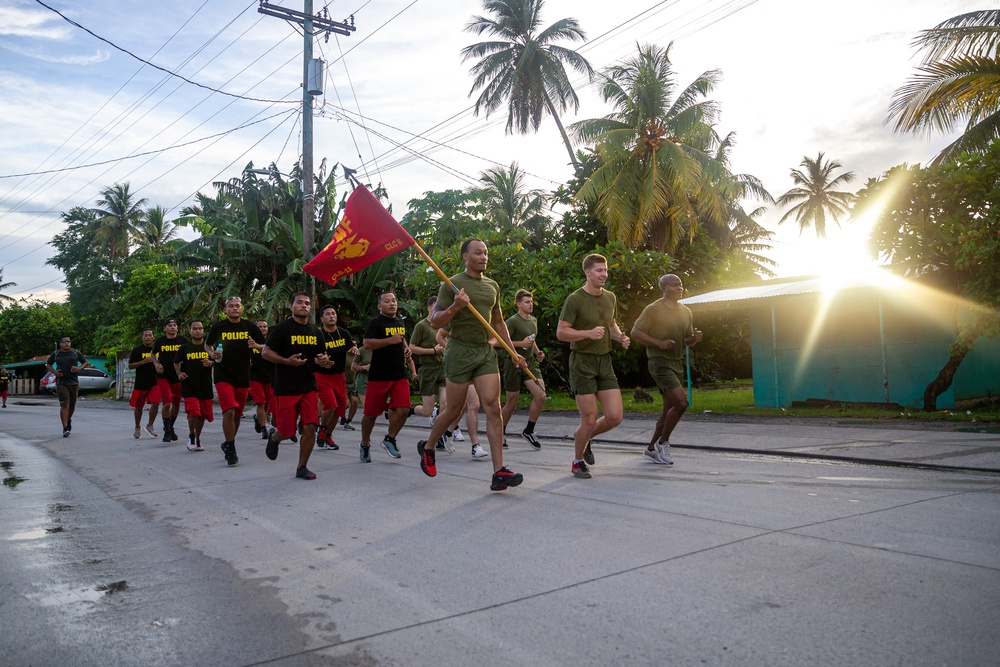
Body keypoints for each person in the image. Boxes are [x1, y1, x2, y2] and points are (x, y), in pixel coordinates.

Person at [418, 238, 526, 491]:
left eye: (486, 253)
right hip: (459, 351)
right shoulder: (452, 284)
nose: (483, 257)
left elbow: (498, 323)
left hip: (484, 352)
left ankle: (499, 472)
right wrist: (455, 306)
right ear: (465, 256)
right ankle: (429, 445)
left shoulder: (492, 286)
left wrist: (512, 352)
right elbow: (435, 322)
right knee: (454, 410)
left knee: (492, 407)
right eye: (478, 253)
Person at [556, 253, 631, 479]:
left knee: (615, 416)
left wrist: (619, 337)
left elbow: (611, 323)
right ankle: (577, 461)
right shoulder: (575, 299)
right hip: (582, 363)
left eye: (605, 270)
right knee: (588, 418)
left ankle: (586, 438)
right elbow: (561, 333)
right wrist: (587, 333)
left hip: (604, 362)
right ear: (587, 272)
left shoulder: (610, 297)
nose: (604, 275)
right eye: (599, 270)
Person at [631, 274, 703, 465]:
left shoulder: (686, 311)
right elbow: (635, 332)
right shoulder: (653, 309)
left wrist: (694, 339)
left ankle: (650, 449)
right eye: (673, 285)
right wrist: (658, 343)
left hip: (676, 362)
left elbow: (686, 339)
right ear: (664, 289)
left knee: (668, 409)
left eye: (680, 284)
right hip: (659, 362)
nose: (679, 287)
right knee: (681, 403)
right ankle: (664, 443)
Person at [261, 292, 331, 480]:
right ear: (291, 306)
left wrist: (323, 361)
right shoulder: (282, 329)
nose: (304, 306)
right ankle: (274, 437)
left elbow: (319, 356)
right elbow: (266, 353)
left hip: (308, 386)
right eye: (299, 303)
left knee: (309, 428)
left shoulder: (316, 331)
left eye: (307, 303)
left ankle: (302, 467)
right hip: (285, 386)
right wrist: (286, 361)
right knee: (287, 431)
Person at [206, 295, 265, 466]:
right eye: (231, 306)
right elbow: (207, 345)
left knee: (238, 413)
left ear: (241, 309)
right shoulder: (218, 327)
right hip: (223, 374)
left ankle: (228, 442)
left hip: (242, 375)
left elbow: (264, 345)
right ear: (225, 310)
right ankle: (231, 448)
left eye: (237, 305)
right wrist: (211, 354)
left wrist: (256, 346)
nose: (234, 308)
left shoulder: (249, 326)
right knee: (229, 411)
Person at [359, 292, 412, 462]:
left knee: (404, 409)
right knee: (371, 415)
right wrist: (390, 340)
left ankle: (390, 438)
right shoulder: (375, 323)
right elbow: (367, 344)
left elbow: (401, 338)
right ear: (379, 306)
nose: (392, 303)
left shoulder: (399, 321)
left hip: (399, 374)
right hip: (379, 375)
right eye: (387, 301)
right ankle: (365, 444)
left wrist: (406, 348)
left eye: (394, 300)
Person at [499, 289, 547, 449]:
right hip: (514, 364)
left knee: (540, 395)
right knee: (512, 402)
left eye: (531, 302)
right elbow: (500, 342)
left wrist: (537, 351)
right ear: (518, 304)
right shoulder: (512, 321)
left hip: (530, 363)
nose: (530, 304)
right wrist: (520, 344)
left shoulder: (533, 320)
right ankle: (501, 432)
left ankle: (529, 430)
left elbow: (531, 341)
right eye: (527, 302)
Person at [315, 305, 359, 451]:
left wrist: (354, 349)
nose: (332, 316)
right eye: (327, 314)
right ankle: (322, 429)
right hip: (322, 376)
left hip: (340, 376)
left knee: (340, 410)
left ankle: (328, 435)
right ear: (322, 319)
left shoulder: (344, 333)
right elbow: (311, 355)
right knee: (331, 405)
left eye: (333, 313)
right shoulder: (318, 335)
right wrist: (320, 360)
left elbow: (351, 347)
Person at [175, 320, 214, 452]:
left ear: (203, 331)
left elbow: (218, 361)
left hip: (205, 385)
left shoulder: (209, 348)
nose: (198, 331)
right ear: (190, 331)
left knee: (202, 415)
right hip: (189, 386)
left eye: (200, 328)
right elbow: (176, 362)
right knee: (194, 412)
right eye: (195, 329)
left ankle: (197, 438)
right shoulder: (185, 348)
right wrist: (179, 373)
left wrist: (211, 363)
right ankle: (191, 435)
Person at [409, 296, 447, 428]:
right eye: (436, 307)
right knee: (427, 411)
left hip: (442, 368)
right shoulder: (421, 326)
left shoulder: (444, 325)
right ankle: (410, 410)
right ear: (429, 308)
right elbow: (411, 347)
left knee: (445, 404)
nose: (438, 310)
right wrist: (433, 350)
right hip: (428, 369)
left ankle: (439, 434)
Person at [45, 336, 91, 437]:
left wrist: (79, 369)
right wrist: (55, 372)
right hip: (61, 383)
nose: (67, 343)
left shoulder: (75, 352)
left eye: (69, 342)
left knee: (72, 405)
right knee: (64, 405)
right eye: (64, 342)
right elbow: (48, 364)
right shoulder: (56, 354)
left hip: (73, 382)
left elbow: (85, 362)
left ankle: (68, 419)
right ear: (60, 343)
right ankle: (65, 427)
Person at [152, 316, 188, 443]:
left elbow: (189, 352)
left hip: (177, 376)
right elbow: (153, 353)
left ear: (177, 327)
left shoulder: (183, 340)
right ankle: (167, 431)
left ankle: (170, 427)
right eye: (169, 325)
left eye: (174, 325)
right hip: (163, 375)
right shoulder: (160, 341)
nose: (172, 327)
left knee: (177, 403)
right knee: (167, 402)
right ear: (165, 328)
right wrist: (156, 364)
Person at [127, 328, 161, 440]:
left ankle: (150, 425)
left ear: (153, 337)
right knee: (138, 407)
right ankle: (137, 427)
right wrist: (143, 362)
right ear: (143, 338)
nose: (148, 337)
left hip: (155, 381)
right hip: (141, 382)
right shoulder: (137, 350)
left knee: (155, 403)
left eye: (150, 335)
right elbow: (130, 365)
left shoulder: (157, 350)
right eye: (145, 335)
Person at [249, 319, 274, 441]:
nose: (263, 328)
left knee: (268, 405)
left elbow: (269, 349)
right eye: (260, 326)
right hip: (255, 377)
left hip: (269, 377)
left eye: (265, 326)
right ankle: (264, 428)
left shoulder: (271, 340)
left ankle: (258, 419)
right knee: (260, 402)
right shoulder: (250, 341)